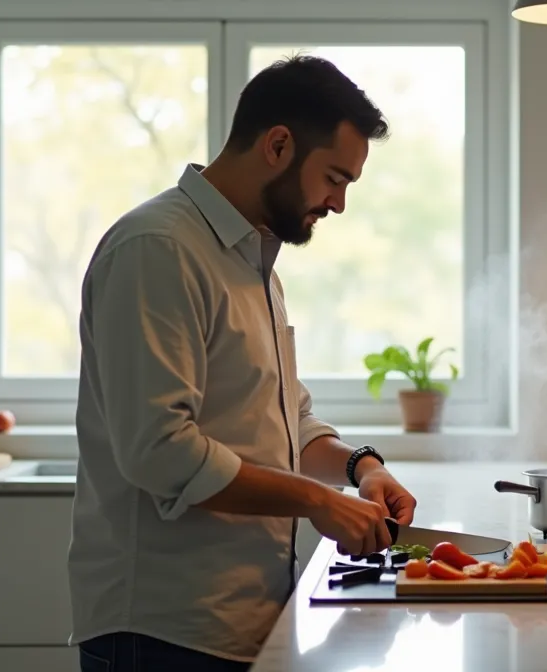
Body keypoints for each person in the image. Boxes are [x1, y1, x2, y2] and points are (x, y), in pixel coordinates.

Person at [68, 55, 418, 671]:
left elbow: (285, 422)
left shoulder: (252, 261)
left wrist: (361, 468)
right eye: (335, 178)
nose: (338, 204)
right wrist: (316, 502)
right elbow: (161, 451)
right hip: (163, 631)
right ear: (279, 145)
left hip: (239, 622)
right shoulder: (159, 250)